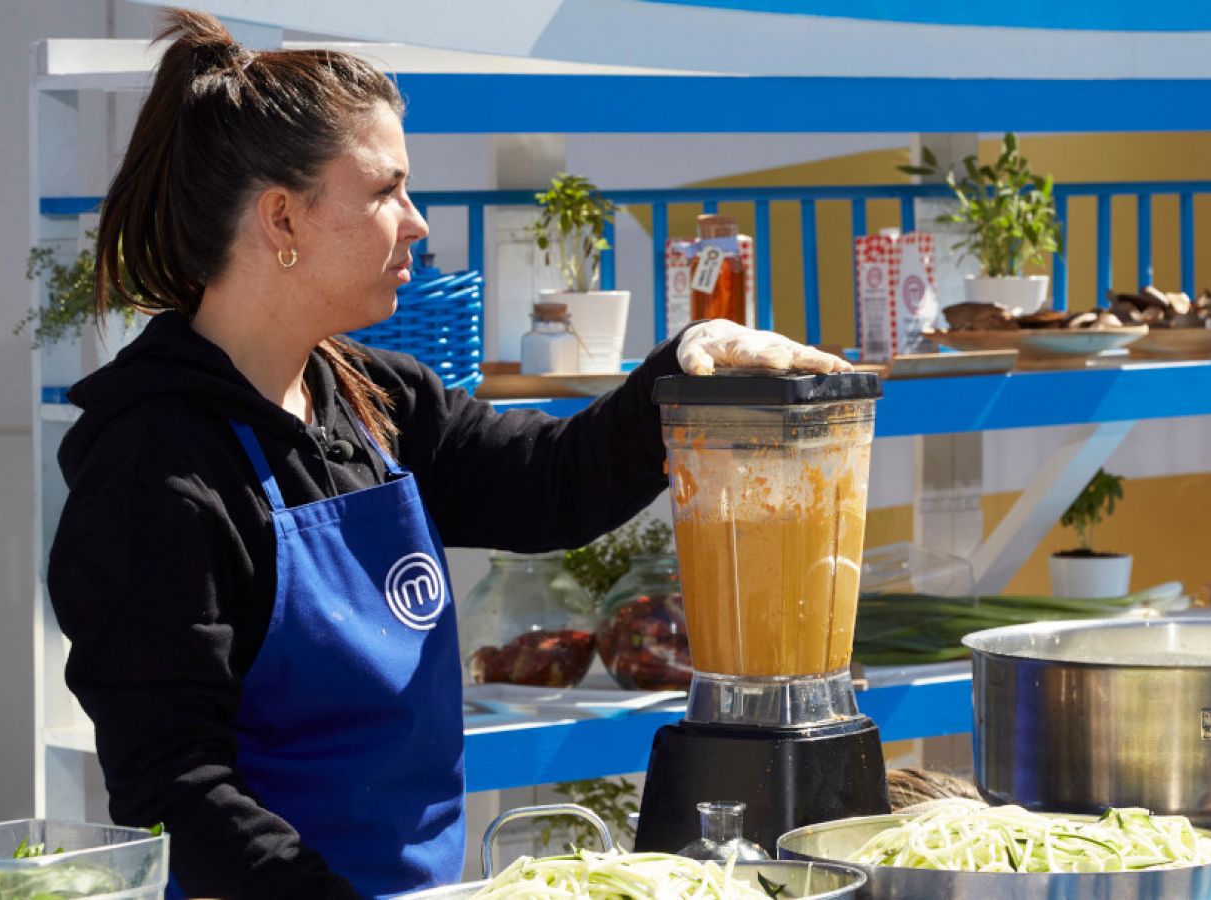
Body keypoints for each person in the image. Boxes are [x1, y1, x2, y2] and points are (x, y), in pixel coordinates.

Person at [46, 10, 848, 899]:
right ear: (282, 218)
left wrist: (690, 369)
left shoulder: (377, 401)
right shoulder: (156, 473)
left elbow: (551, 486)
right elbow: (179, 789)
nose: (417, 223)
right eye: (386, 191)